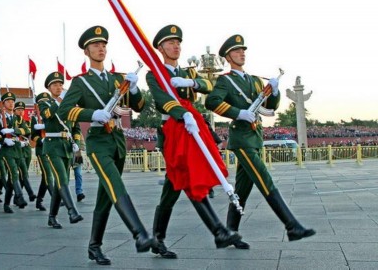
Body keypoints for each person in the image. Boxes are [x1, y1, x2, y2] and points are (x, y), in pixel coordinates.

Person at [205, 34, 316, 243]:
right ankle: (292, 226)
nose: (242, 53)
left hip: (254, 137)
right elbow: (211, 101)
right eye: (237, 51)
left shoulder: (256, 81)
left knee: (242, 190)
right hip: (241, 139)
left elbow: (270, 108)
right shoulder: (225, 80)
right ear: (228, 57)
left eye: (243, 50)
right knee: (265, 180)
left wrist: (275, 92)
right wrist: (238, 113)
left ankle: (229, 234)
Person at [58, 25, 153, 265]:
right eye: (95, 45)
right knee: (115, 183)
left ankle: (94, 246)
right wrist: (92, 113)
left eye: (103, 45)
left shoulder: (117, 79)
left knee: (105, 194)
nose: (100, 48)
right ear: (86, 51)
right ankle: (139, 233)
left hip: (117, 141)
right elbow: (64, 110)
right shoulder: (81, 83)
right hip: (98, 141)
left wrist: (134, 88)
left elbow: (140, 106)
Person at [146, 24, 243, 258]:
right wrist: (182, 113)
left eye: (178, 42)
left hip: (192, 129)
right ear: (160, 48)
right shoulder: (155, 73)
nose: (176, 46)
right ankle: (218, 231)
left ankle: (157, 239)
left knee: (175, 185)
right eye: (170, 43)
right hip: (174, 130)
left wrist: (192, 83)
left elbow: (210, 85)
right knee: (186, 180)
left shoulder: (188, 73)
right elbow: (161, 101)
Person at [37, 71, 84, 229]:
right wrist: (60, 101)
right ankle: (72, 212)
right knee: (62, 179)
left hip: (67, 147)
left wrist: (76, 142)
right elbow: (48, 115)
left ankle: (52, 217)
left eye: (60, 84)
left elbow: (76, 127)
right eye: (55, 85)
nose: (58, 87)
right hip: (52, 146)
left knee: (60, 182)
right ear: (49, 88)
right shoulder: (45, 102)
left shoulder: (68, 104)